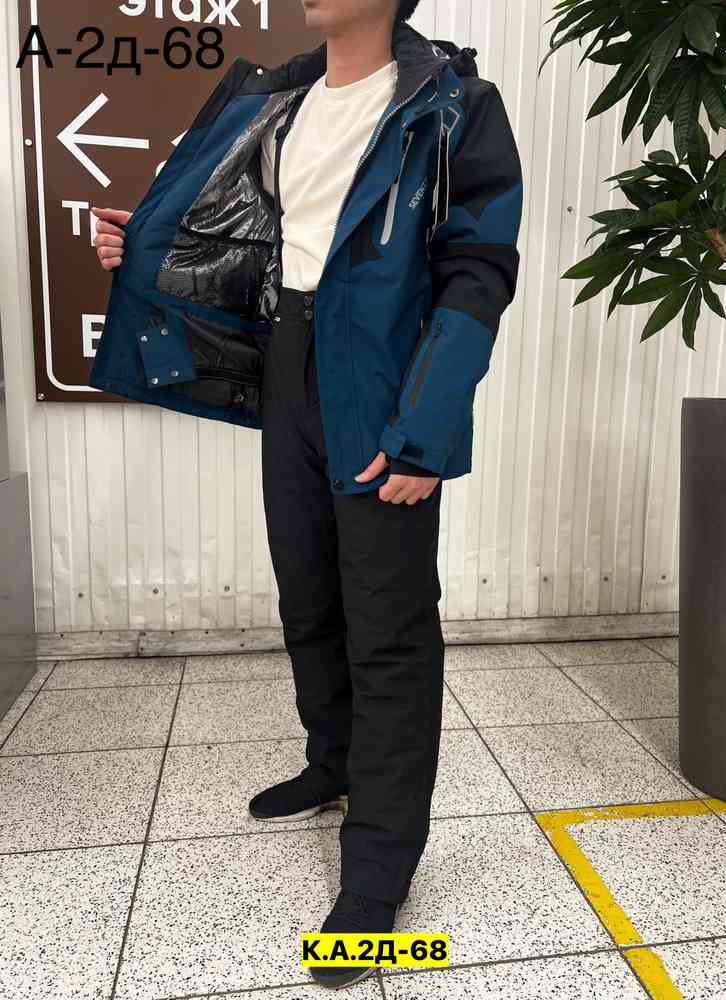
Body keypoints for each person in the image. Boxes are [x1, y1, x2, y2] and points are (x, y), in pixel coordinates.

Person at [92, 0, 522, 989]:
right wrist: (143, 247)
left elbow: (477, 271)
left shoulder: (453, 104)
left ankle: (378, 869)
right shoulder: (276, 97)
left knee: (389, 623)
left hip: (382, 374)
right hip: (290, 361)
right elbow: (243, 239)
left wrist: (428, 428)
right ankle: (333, 761)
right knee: (308, 593)